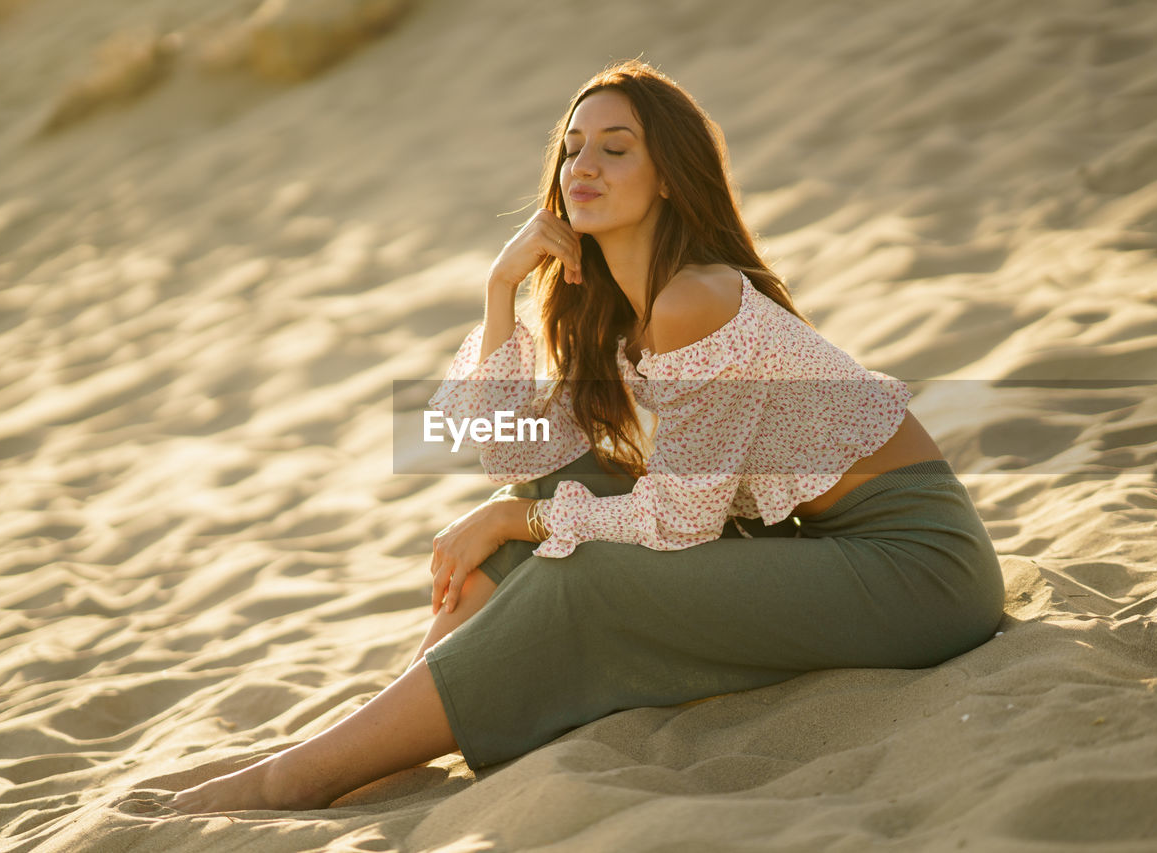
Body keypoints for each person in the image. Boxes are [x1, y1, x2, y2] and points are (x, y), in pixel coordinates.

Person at [165, 59, 1005, 815]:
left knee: (586, 574)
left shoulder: (694, 299)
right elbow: (512, 451)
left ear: (670, 176)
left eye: (616, 148)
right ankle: (382, 726)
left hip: (919, 572)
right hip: (824, 547)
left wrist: (515, 522)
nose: (584, 168)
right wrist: (500, 289)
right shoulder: (620, 314)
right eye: (572, 150)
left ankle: (305, 775)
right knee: (533, 497)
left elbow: (678, 524)